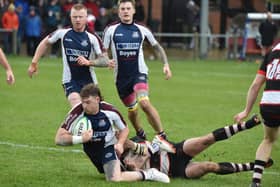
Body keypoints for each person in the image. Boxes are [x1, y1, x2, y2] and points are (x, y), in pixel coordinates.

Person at [55, 83, 170, 183]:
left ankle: (149, 173)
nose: (84, 106)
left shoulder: (110, 111)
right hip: (92, 151)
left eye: (87, 102)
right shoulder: (76, 113)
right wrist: (80, 139)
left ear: (97, 99)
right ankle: (148, 149)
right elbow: (59, 139)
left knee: (114, 178)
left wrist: (120, 143)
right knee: (121, 169)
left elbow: (125, 129)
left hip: (108, 147)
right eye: (83, 102)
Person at [120, 114, 274, 180]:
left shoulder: (132, 142)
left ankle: (246, 125)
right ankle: (254, 166)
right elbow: (139, 173)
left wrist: (140, 153)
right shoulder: (121, 164)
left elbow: (151, 147)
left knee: (206, 139)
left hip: (175, 150)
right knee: (209, 166)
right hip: (177, 171)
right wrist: (135, 168)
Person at [103, 0, 172, 140]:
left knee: (144, 103)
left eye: (128, 8)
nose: (125, 11)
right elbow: (103, 51)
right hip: (121, 78)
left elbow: (157, 47)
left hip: (139, 73)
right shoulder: (110, 30)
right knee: (132, 110)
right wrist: (106, 60)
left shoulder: (142, 29)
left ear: (133, 11)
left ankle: (162, 135)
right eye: (122, 8)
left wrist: (166, 64)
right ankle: (140, 132)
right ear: (118, 11)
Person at [27, 3, 110, 108]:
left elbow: (105, 60)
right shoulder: (63, 32)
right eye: (75, 17)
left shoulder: (93, 37)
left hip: (89, 81)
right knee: (77, 106)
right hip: (70, 80)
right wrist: (34, 63)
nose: (78, 20)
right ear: (70, 17)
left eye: (80, 17)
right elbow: (45, 42)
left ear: (86, 18)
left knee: (93, 111)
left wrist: (89, 62)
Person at [234, 43, 280, 187]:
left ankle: (255, 182)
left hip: (268, 104)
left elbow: (256, 85)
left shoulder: (271, 52)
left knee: (268, 140)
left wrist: (246, 111)